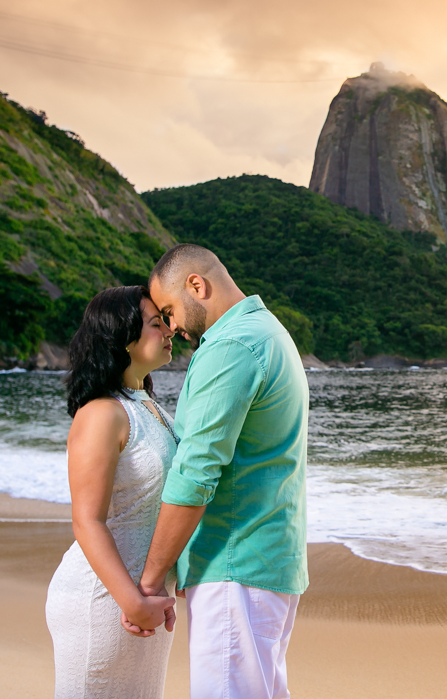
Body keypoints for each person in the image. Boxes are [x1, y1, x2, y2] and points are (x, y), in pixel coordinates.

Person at [124, 244, 309, 699]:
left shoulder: (231, 346)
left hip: (235, 559)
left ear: (197, 285)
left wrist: (150, 582)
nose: (172, 326)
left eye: (168, 310)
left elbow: (195, 475)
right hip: (265, 558)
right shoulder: (267, 331)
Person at [45, 286, 179, 699]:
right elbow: (87, 520)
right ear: (122, 338)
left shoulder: (152, 407)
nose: (169, 329)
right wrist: (132, 601)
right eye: (156, 323)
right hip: (104, 600)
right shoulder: (102, 413)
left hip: (148, 599)